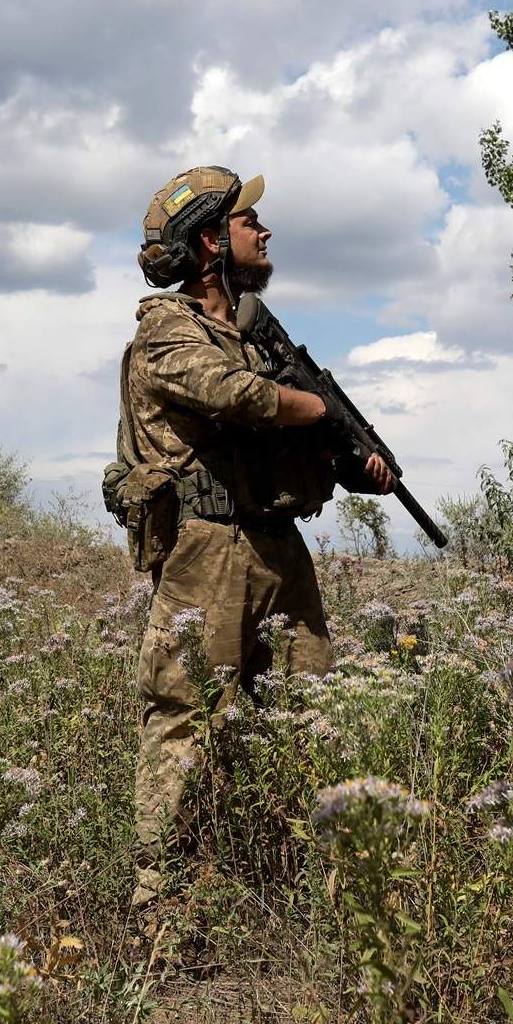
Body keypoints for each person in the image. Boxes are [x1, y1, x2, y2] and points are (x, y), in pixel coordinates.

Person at [116, 165, 394, 914]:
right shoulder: (168, 330)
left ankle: (298, 874)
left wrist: (353, 461)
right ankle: (159, 899)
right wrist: (314, 408)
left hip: (279, 546)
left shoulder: (258, 335)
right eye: (247, 223)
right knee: (185, 714)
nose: (264, 232)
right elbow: (233, 395)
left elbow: (283, 433)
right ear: (210, 241)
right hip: (208, 550)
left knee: (308, 704)